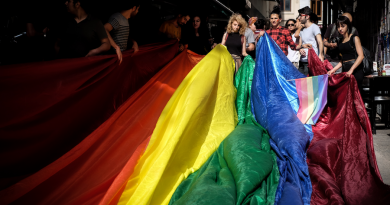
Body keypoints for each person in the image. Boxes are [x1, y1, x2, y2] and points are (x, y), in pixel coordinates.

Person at [327, 16, 364, 92]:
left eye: (343, 26)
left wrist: (351, 70)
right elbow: (343, 60)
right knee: (347, 96)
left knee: (356, 96)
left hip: (355, 70)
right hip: (345, 70)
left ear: (348, 26)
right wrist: (333, 70)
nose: (340, 29)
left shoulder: (354, 38)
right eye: (338, 27)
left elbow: (361, 56)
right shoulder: (339, 41)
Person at [296, 7, 324, 76]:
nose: (299, 18)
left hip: (311, 61)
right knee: (301, 83)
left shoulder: (314, 27)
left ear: (307, 17)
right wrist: (300, 49)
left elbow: (320, 42)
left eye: (301, 15)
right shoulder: (302, 30)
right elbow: (299, 45)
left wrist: (320, 54)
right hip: (302, 61)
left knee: (309, 84)